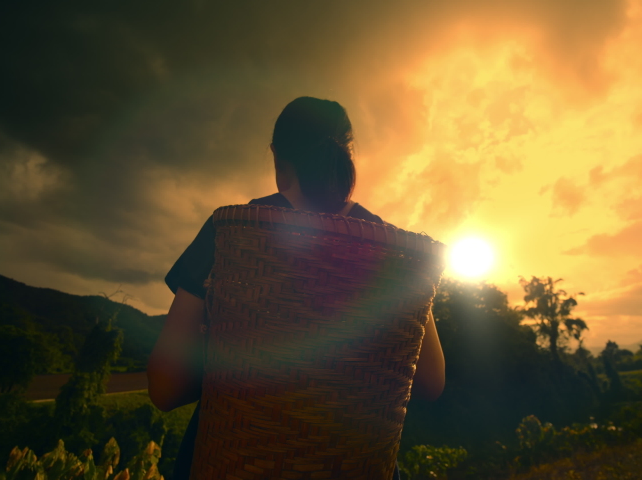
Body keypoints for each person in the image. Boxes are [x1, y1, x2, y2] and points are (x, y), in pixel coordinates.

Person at [147, 96, 445, 480]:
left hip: (234, 459)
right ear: (347, 152)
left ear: (276, 154)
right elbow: (429, 380)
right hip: (351, 463)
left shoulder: (233, 231)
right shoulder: (389, 248)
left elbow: (165, 387)